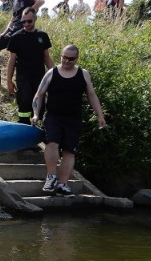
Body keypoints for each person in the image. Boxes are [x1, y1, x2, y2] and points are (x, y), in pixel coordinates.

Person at [32, 44, 106, 196]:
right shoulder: (52, 73)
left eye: (71, 59)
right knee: (52, 143)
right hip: (54, 116)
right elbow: (39, 95)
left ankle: (62, 184)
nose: (67, 61)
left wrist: (100, 115)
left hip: (73, 118)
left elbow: (91, 95)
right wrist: (36, 114)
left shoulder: (83, 74)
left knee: (69, 151)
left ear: (76, 58)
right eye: (64, 57)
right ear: (61, 56)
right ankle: (51, 176)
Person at [6, 7, 53, 124]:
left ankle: (36, 129)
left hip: (40, 77)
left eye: (29, 21)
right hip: (23, 78)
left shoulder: (42, 36)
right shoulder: (16, 37)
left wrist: (55, 74)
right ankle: (23, 126)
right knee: (24, 103)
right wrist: (8, 81)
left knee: (39, 106)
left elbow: (46, 57)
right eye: (23, 21)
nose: (26, 24)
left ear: (35, 19)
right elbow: (12, 60)